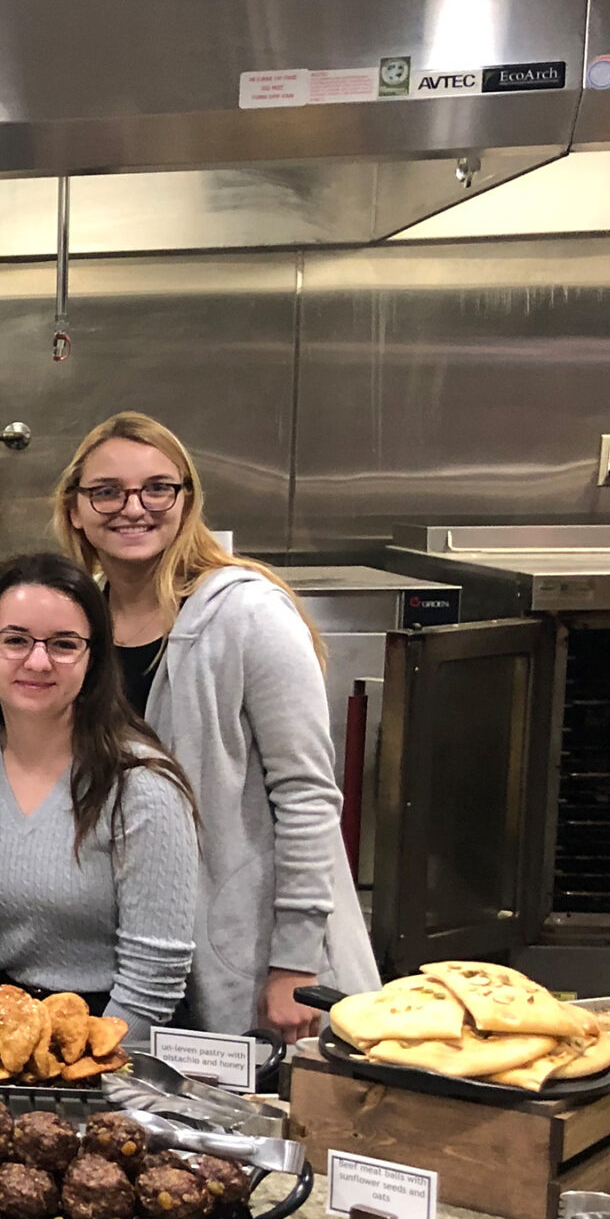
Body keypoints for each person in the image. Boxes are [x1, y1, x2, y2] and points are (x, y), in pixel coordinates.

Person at [54, 410, 377, 1038]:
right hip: (144, 957)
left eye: (157, 488)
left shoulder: (247, 614)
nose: (133, 508)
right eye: (106, 491)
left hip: (249, 957)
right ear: (75, 509)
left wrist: (295, 966)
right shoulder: (80, 618)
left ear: (187, 500)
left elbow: (306, 795)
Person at [0, 553, 201, 1038]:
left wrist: (84, 1066)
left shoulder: (141, 784)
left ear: (93, 659)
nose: (37, 661)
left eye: (64, 644)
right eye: (14, 640)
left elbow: (154, 974)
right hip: (0, 1020)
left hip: (112, 1032)